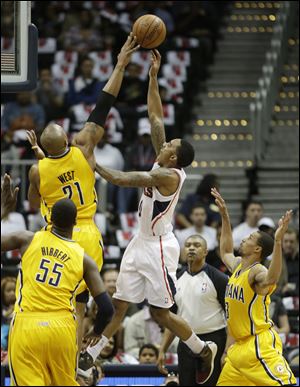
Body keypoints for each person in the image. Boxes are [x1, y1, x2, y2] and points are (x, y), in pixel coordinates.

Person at [80, 50, 217, 385]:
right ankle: (89, 357)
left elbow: (125, 179)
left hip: (159, 246)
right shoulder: (164, 159)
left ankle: (202, 348)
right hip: (140, 242)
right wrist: (154, 77)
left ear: (174, 157)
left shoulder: (169, 176)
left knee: (160, 313)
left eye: (170, 144)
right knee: (120, 303)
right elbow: (156, 117)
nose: (165, 141)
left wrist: (92, 162)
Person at [26, 33, 139, 351]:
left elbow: (35, 204)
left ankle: (47, 349)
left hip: (55, 235)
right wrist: (120, 64)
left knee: (52, 299)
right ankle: (77, 358)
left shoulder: (37, 170)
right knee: (79, 303)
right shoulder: (84, 146)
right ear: (67, 140)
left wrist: (40, 163)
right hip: (88, 231)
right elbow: (104, 103)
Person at [1, 179, 114, 386]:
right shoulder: (84, 259)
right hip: (62, 328)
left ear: (50, 219)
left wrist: (3, 212)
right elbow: (107, 309)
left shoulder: (27, 239)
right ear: (75, 222)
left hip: (28, 324)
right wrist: (96, 332)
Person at [210, 188, 296, 386]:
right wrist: (225, 216)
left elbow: (272, 277)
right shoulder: (238, 266)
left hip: (259, 344)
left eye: (249, 238)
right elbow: (224, 250)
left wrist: (277, 242)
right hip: (238, 349)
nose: (244, 239)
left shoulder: (257, 272)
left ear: (257, 249)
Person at [158, 235, 228, 386]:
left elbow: (232, 318)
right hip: (186, 341)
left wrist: (227, 350)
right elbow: (171, 319)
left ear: (205, 252)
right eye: (188, 245)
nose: (191, 248)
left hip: (214, 341)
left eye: (196, 245)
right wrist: (162, 349)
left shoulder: (218, 278)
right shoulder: (175, 279)